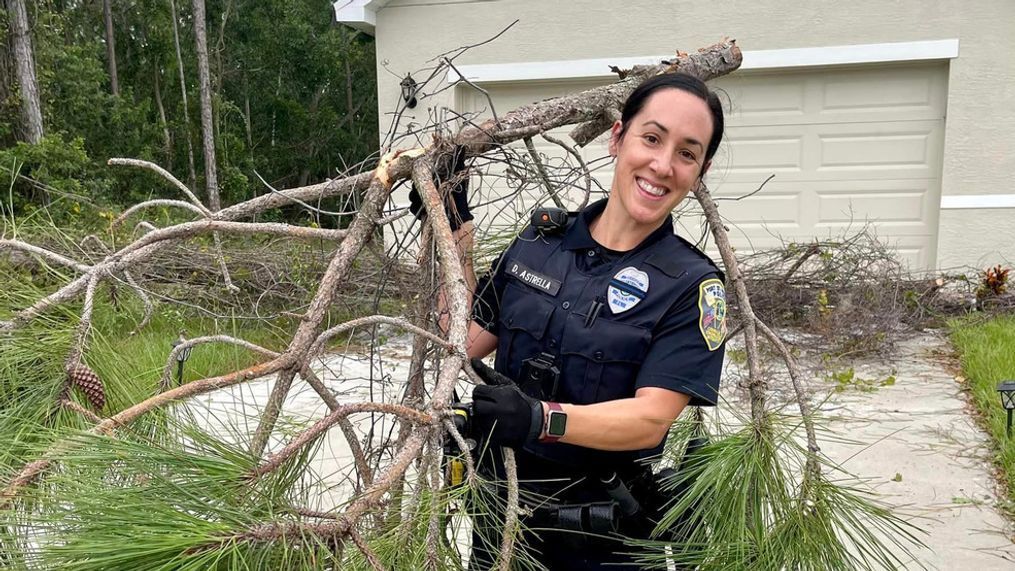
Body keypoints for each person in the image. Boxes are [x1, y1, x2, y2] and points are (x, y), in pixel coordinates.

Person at [414, 72, 728, 570]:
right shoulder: (540, 243)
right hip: (501, 524)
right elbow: (465, 340)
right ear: (617, 138)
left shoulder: (691, 285)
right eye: (651, 138)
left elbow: (650, 420)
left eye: (687, 154)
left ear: (700, 171)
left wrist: (539, 418)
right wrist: (451, 227)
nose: (663, 165)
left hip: (599, 544)